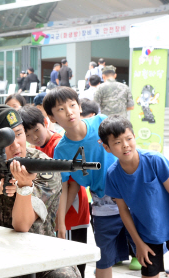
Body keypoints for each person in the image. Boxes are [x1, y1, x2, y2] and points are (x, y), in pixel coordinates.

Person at [0, 104, 80, 278]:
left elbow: (22, 225)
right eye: (6, 140)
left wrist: (24, 187)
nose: (16, 144)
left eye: (19, 134)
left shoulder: (43, 167)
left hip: (40, 255)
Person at [44, 87, 127, 278]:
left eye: (72, 105)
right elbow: (64, 186)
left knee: (147, 250)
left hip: (130, 193)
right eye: (61, 109)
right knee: (103, 258)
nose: (69, 112)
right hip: (102, 203)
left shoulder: (101, 124)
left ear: (80, 107)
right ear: (52, 118)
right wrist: (61, 222)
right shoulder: (61, 150)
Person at [19, 105, 90, 277]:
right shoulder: (36, 151)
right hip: (56, 214)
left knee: (74, 260)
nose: (34, 137)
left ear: (46, 122)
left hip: (71, 212)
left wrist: (60, 220)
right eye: (27, 135)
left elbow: (72, 184)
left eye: (36, 130)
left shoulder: (58, 145)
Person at [99, 116, 169, 278]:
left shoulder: (155, 160)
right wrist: (138, 243)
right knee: (150, 274)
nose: (125, 145)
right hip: (147, 233)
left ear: (134, 137)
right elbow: (123, 211)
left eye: (129, 138)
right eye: (117, 142)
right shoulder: (113, 175)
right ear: (107, 147)